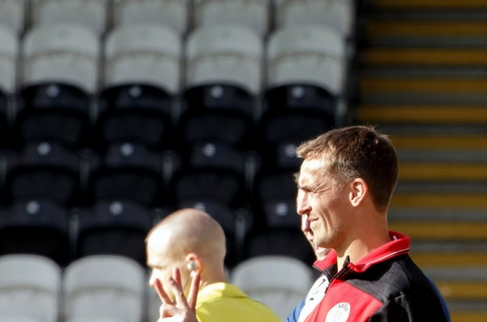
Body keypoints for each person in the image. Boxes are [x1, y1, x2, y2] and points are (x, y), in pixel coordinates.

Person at [294, 125, 449, 322]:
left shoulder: (400, 297)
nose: (301, 208)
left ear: (356, 193)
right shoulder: (326, 283)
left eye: (313, 190)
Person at [145, 208, 280, 322]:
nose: (152, 281)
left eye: (158, 267)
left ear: (194, 264)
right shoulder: (268, 315)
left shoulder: (181, 318)